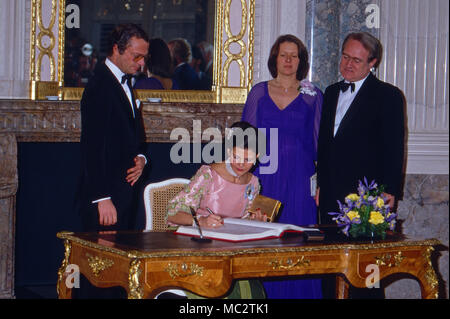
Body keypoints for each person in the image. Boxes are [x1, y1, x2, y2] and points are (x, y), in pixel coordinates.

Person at [316, 32, 405, 298]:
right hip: (331, 194)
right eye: (345, 56)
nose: (348, 64)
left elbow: (394, 147)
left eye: (356, 59)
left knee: (367, 272)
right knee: (331, 263)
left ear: (372, 63)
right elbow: (324, 145)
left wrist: (389, 192)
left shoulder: (388, 95)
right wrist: (320, 183)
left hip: (367, 199)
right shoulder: (331, 92)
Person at [241, 34, 323, 299]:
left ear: (301, 61)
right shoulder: (259, 92)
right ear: (274, 58)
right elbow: (246, 142)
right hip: (265, 177)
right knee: (265, 241)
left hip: (300, 180)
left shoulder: (313, 96)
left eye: (294, 55)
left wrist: (321, 182)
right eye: (283, 54)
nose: (288, 60)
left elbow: (320, 144)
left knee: (298, 241)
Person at [165, 121, 266, 299]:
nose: (240, 164)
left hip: (232, 251)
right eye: (235, 156)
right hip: (199, 247)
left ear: (257, 155)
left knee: (252, 294)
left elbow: (243, 221)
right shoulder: (209, 174)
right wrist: (201, 221)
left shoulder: (253, 183)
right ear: (228, 152)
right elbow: (172, 213)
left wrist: (255, 221)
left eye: (247, 159)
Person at [77, 23, 149, 233]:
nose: (142, 63)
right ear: (117, 49)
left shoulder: (123, 83)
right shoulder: (100, 86)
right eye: (136, 56)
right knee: (102, 263)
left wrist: (142, 159)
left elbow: (133, 135)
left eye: (144, 57)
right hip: (105, 199)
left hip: (123, 195)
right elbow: (92, 147)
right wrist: (102, 198)